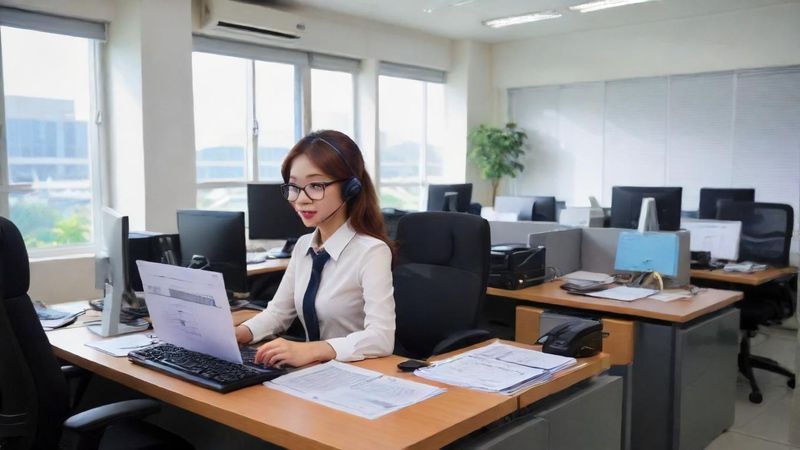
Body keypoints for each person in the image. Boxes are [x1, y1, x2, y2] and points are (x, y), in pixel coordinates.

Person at [235, 130, 395, 368]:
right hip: (311, 371)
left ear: (350, 188)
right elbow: (278, 313)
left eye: (316, 185)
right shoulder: (303, 246)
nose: (301, 199)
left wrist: (312, 350)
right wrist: (238, 334)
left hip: (355, 371)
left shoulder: (372, 252)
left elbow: (381, 337)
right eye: (294, 186)